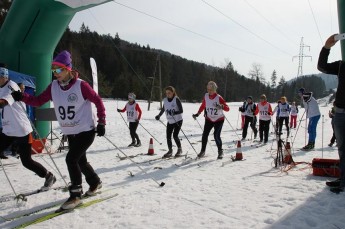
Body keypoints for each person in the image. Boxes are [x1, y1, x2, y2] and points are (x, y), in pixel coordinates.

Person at [11, 50, 106, 209]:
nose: (55, 73)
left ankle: (75, 194)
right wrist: (23, 97)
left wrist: (102, 121)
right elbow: (39, 100)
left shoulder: (81, 85)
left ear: (68, 68)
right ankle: (95, 182)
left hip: (86, 131)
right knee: (80, 161)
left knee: (71, 159)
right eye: (53, 70)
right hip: (71, 132)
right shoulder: (54, 86)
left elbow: (98, 101)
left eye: (59, 69)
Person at [0, 66, 56, 188]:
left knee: (26, 161)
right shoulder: (1, 87)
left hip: (21, 130)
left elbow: (3, 102)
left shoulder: (11, 86)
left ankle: (48, 175)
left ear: (4, 77)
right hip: (8, 130)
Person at [317, 34, 345, 192]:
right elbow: (322, 67)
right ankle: (343, 180)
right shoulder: (342, 65)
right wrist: (326, 47)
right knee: (342, 149)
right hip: (340, 114)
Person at [192, 81, 229, 159]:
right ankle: (202, 151)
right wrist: (198, 113)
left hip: (219, 119)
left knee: (216, 135)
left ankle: (220, 151)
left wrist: (221, 106)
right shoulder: (206, 96)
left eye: (211, 89)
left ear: (215, 89)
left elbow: (227, 108)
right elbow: (203, 105)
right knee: (205, 135)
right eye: (208, 89)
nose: (209, 91)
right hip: (209, 119)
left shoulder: (218, 97)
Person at [155, 86, 183, 158]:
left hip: (178, 120)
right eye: (166, 93)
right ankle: (170, 151)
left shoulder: (176, 99)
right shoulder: (165, 100)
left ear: (173, 93)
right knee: (168, 137)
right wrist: (159, 115)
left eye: (169, 93)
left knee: (175, 136)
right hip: (170, 121)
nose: (168, 94)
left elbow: (181, 110)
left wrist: (175, 113)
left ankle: (179, 149)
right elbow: (163, 109)